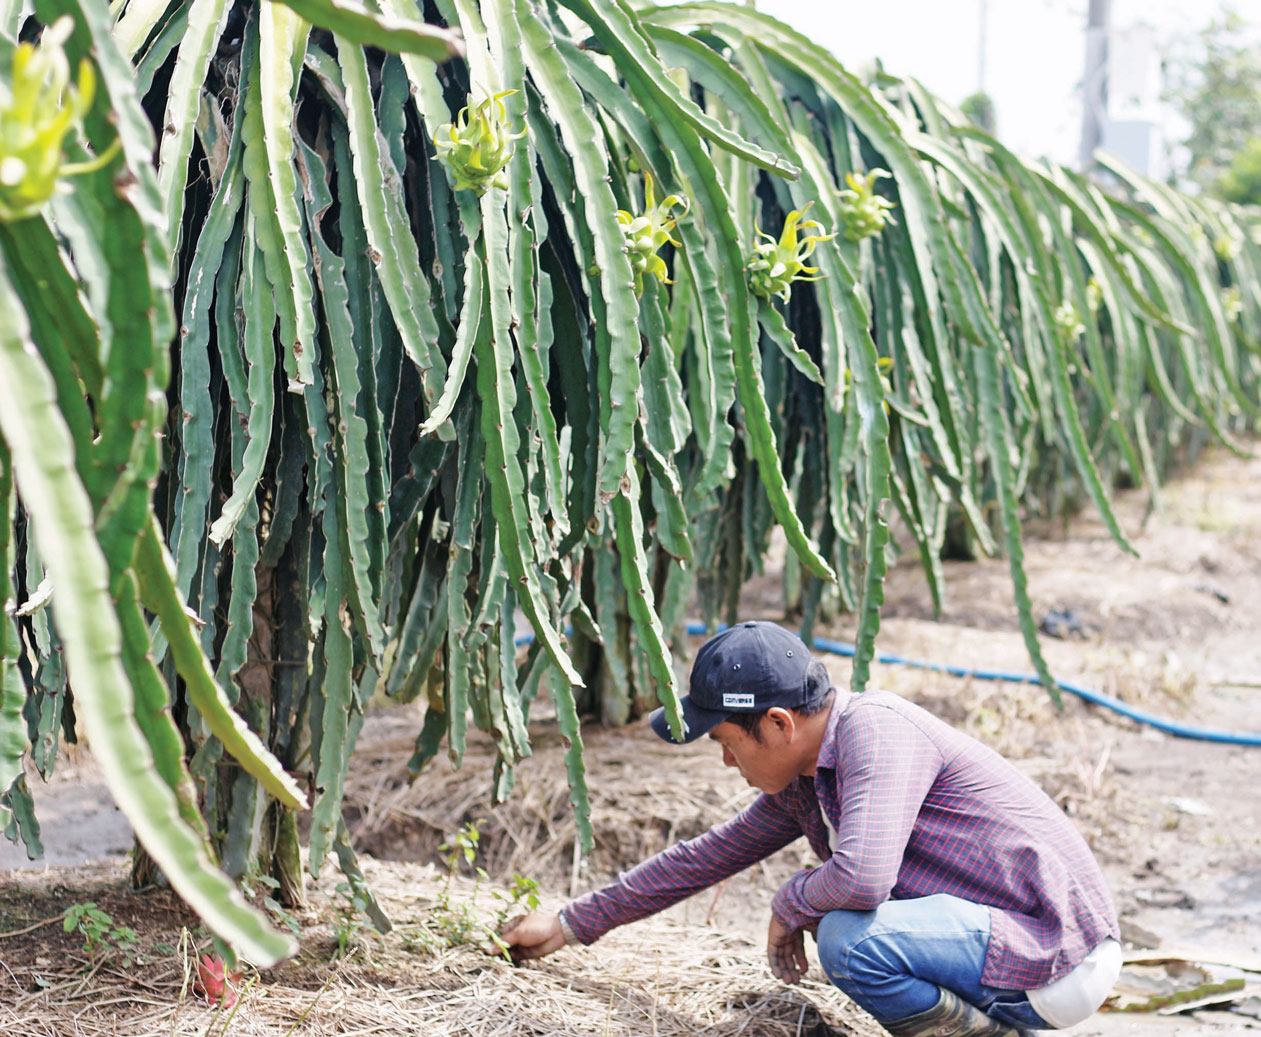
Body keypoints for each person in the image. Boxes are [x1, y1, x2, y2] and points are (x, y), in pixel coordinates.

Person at [502, 621, 1121, 1037]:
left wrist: (790, 900)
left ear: (775, 725)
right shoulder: (806, 779)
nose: (725, 760)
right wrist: (569, 923)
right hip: (1002, 949)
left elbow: (864, 877)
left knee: (848, 937)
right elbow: (704, 858)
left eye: (723, 741)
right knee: (841, 922)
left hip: (1055, 951)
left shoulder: (876, 732)